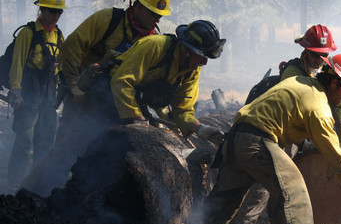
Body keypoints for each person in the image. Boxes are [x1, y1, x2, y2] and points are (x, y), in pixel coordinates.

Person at [188, 53, 341, 224]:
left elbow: (284, 115)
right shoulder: (319, 107)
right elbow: (334, 154)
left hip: (236, 138)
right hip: (258, 142)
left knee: (225, 200)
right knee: (294, 195)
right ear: (335, 83)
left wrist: (305, 141)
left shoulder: (299, 82)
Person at [20, 20, 226, 196]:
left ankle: (82, 202)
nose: (205, 63)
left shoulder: (191, 69)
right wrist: (138, 121)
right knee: (71, 150)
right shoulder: (154, 46)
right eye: (202, 56)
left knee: (110, 158)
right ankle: (28, 194)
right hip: (103, 100)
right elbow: (122, 82)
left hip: (131, 110)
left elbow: (182, 109)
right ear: (186, 50)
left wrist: (200, 128)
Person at [55, 0, 171, 143]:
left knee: (110, 152)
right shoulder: (108, 20)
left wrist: (168, 119)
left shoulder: (152, 40)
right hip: (84, 96)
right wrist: (74, 86)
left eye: (160, 16)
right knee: (66, 149)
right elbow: (71, 47)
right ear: (138, 6)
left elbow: (152, 79)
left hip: (118, 104)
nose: (157, 20)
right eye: (153, 14)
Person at [6, 0, 66, 192]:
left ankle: (37, 185)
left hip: (48, 94)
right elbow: (18, 63)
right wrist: (15, 90)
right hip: (29, 92)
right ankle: (14, 184)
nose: (56, 15)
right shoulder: (28, 33)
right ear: (41, 10)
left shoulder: (58, 35)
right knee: (25, 140)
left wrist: (62, 90)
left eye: (59, 11)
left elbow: (61, 66)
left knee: (46, 142)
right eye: (51, 10)